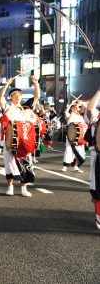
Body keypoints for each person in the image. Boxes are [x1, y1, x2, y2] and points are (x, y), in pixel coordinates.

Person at [0, 76, 40, 197]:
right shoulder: (7, 108)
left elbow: (36, 97)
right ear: (11, 97)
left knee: (26, 163)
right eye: (15, 94)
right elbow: (0, 98)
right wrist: (6, 84)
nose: (18, 96)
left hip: (24, 140)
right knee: (9, 164)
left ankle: (24, 188)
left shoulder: (25, 108)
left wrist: (36, 83)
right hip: (9, 140)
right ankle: (10, 187)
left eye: (20, 95)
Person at [86, 89, 100, 229]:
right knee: (98, 188)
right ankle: (99, 217)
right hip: (98, 156)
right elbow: (90, 108)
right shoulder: (96, 116)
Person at [61, 101, 88, 173]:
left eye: (77, 107)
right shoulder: (70, 115)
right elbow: (65, 112)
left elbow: (84, 108)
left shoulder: (81, 117)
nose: (76, 108)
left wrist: (81, 103)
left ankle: (76, 166)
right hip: (71, 137)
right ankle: (65, 166)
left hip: (80, 137)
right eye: (75, 107)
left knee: (79, 152)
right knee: (68, 151)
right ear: (72, 108)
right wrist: (71, 104)